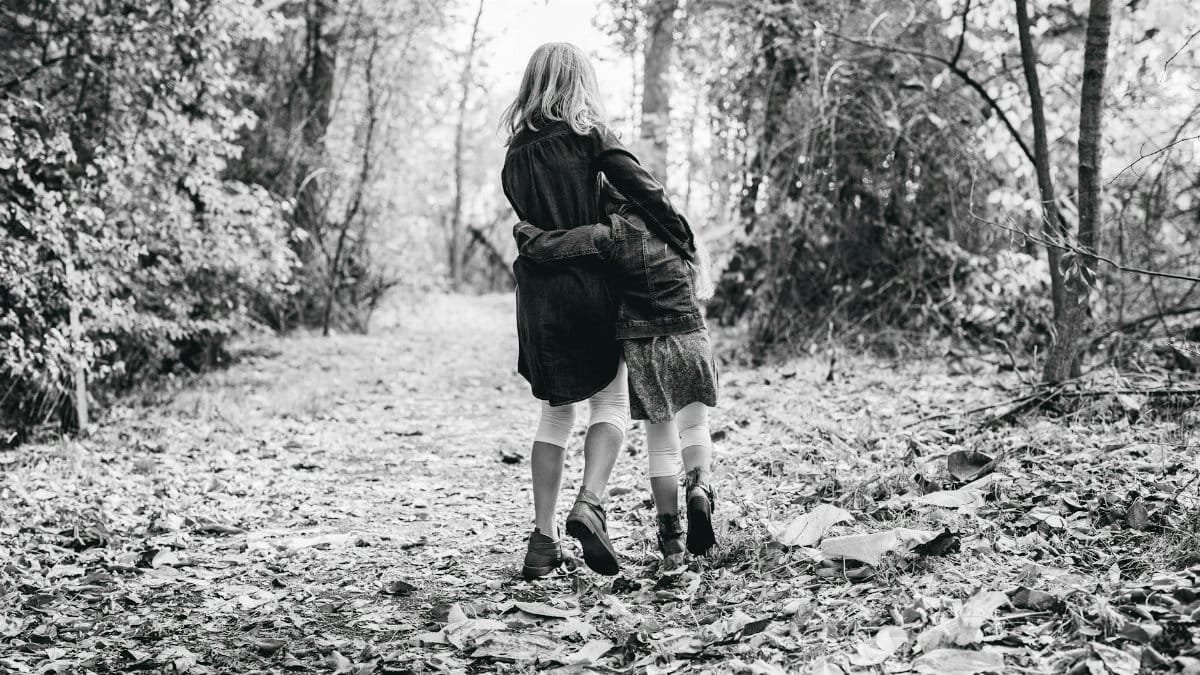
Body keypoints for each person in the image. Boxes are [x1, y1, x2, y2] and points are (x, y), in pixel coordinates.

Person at [500, 42, 698, 579]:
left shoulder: (515, 153)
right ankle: (589, 503)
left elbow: (527, 222)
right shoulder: (590, 137)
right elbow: (642, 187)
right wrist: (680, 234)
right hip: (592, 289)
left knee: (554, 412)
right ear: (577, 82)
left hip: (538, 299)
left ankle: (542, 541)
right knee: (608, 405)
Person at [514, 184, 720, 567]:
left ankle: (671, 537)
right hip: (693, 340)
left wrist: (528, 235)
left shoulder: (614, 235)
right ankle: (700, 486)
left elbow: (560, 245)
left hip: (649, 351)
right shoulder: (677, 229)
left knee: (661, 445)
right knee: (695, 428)